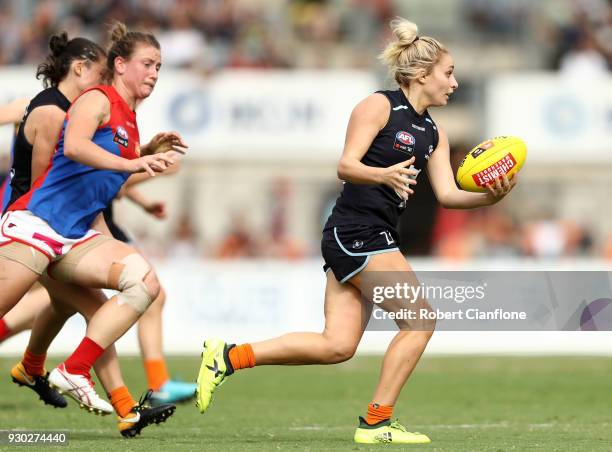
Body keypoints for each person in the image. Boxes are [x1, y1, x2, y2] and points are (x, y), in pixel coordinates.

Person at [195, 17, 517, 445]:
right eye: (448, 73)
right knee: (420, 322)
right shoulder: (379, 106)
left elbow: (447, 194)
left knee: (337, 346)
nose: (454, 83)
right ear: (422, 75)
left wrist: (489, 199)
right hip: (357, 231)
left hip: (369, 235)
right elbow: (345, 165)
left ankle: (229, 357)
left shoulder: (433, 132)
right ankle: (376, 422)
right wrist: (383, 176)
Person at [0, 22, 180, 426]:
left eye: (159, 67)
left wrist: (145, 153)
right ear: (120, 65)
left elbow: (101, 179)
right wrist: (136, 161)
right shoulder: (94, 99)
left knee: (145, 284)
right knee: (50, 308)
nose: (154, 73)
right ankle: (107, 398)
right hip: (35, 226)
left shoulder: (130, 121)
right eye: (147, 64)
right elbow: (77, 148)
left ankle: (73, 370)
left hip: (73, 236)